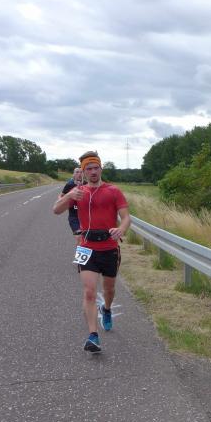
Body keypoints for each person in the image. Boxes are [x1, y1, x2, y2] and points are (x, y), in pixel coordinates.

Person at [53, 151, 130, 353]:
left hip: (109, 248)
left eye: (96, 168)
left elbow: (126, 217)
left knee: (109, 289)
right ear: (83, 172)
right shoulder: (78, 192)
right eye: (89, 169)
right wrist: (69, 196)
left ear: (101, 169)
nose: (93, 172)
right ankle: (93, 336)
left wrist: (121, 229)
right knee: (89, 292)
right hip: (86, 247)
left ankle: (106, 309)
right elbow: (56, 210)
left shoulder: (113, 191)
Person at [59, 166, 84, 244]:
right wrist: (63, 203)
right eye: (77, 172)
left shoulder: (87, 184)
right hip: (74, 217)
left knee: (86, 240)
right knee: (79, 238)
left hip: (86, 217)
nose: (79, 174)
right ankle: (79, 252)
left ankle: (83, 251)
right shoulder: (69, 185)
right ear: (73, 174)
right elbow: (61, 196)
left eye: (81, 172)